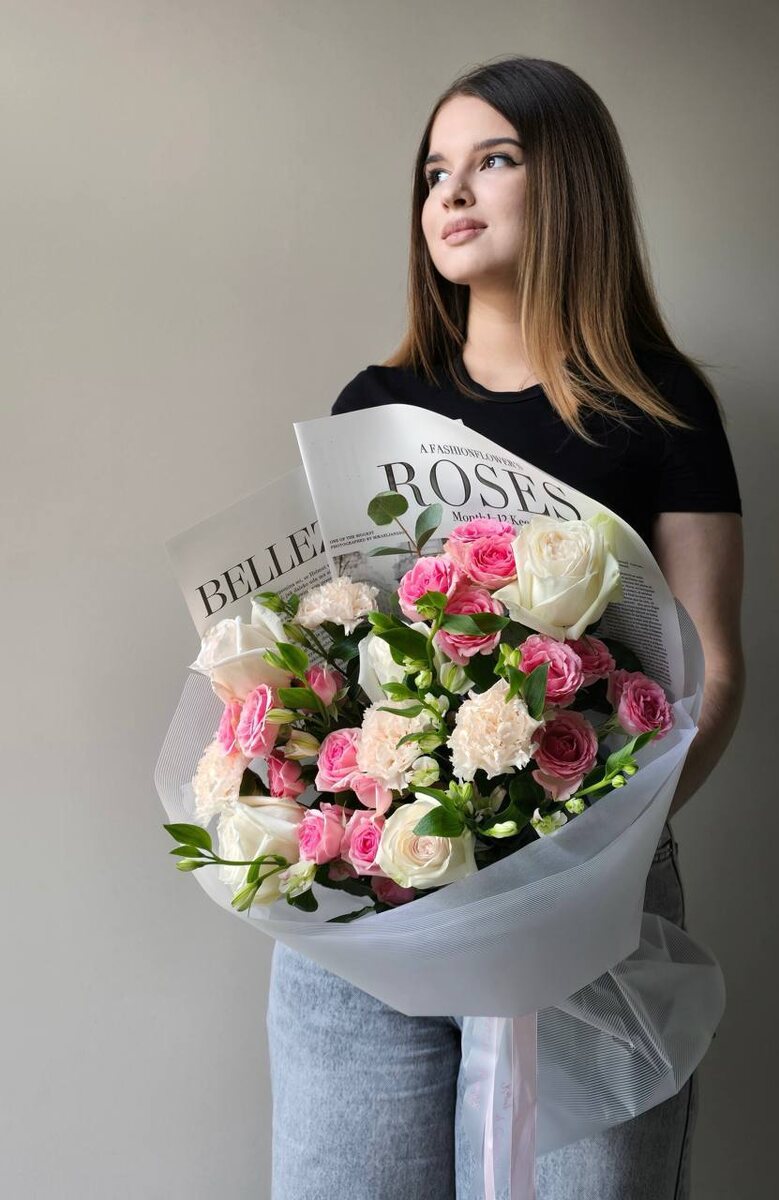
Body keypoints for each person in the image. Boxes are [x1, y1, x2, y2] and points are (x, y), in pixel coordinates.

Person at [268, 55, 745, 1199]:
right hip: (371, 908)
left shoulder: (660, 407)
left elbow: (715, 667)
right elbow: (337, 649)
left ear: (569, 183)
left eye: (493, 160)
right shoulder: (371, 409)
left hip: (584, 907)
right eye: (435, 171)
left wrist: (588, 859)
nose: (452, 192)